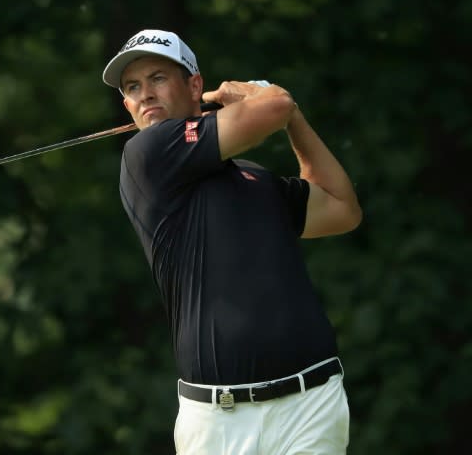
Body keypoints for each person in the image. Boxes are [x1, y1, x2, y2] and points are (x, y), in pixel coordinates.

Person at [102, 29, 362, 455]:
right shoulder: (145, 154)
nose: (145, 94)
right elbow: (274, 104)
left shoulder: (253, 177)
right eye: (133, 88)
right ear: (127, 106)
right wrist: (262, 97)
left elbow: (341, 208)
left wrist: (293, 120)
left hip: (310, 403)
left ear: (194, 86)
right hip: (217, 422)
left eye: (158, 78)